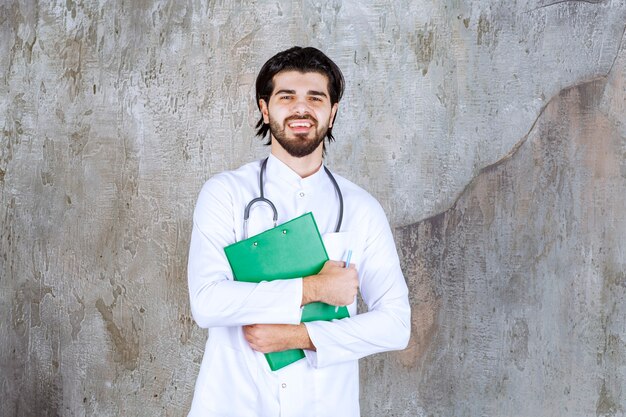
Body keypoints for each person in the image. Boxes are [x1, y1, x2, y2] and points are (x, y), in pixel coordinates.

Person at [187, 46, 410, 417]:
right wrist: (315, 289)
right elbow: (207, 302)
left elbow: (397, 324)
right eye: (286, 96)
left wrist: (301, 337)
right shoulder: (225, 193)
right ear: (265, 108)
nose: (301, 109)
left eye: (315, 98)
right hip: (234, 403)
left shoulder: (361, 208)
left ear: (332, 112)